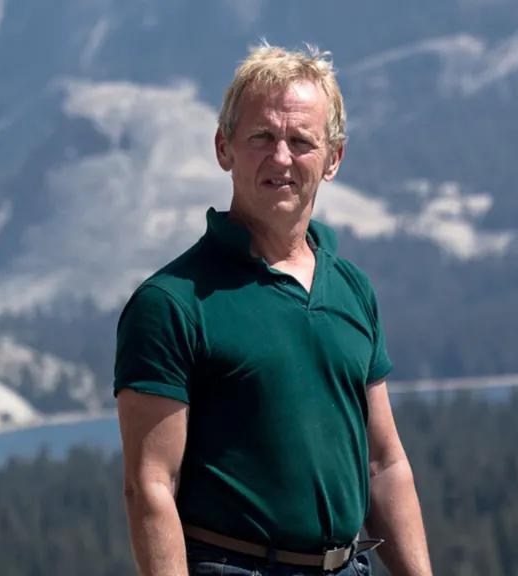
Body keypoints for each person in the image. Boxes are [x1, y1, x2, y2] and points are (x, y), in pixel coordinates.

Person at [113, 40, 433, 576]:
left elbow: (384, 465)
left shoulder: (351, 289)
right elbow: (150, 487)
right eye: (261, 137)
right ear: (224, 148)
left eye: (301, 141)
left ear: (333, 159)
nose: (281, 157)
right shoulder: (171, 303)